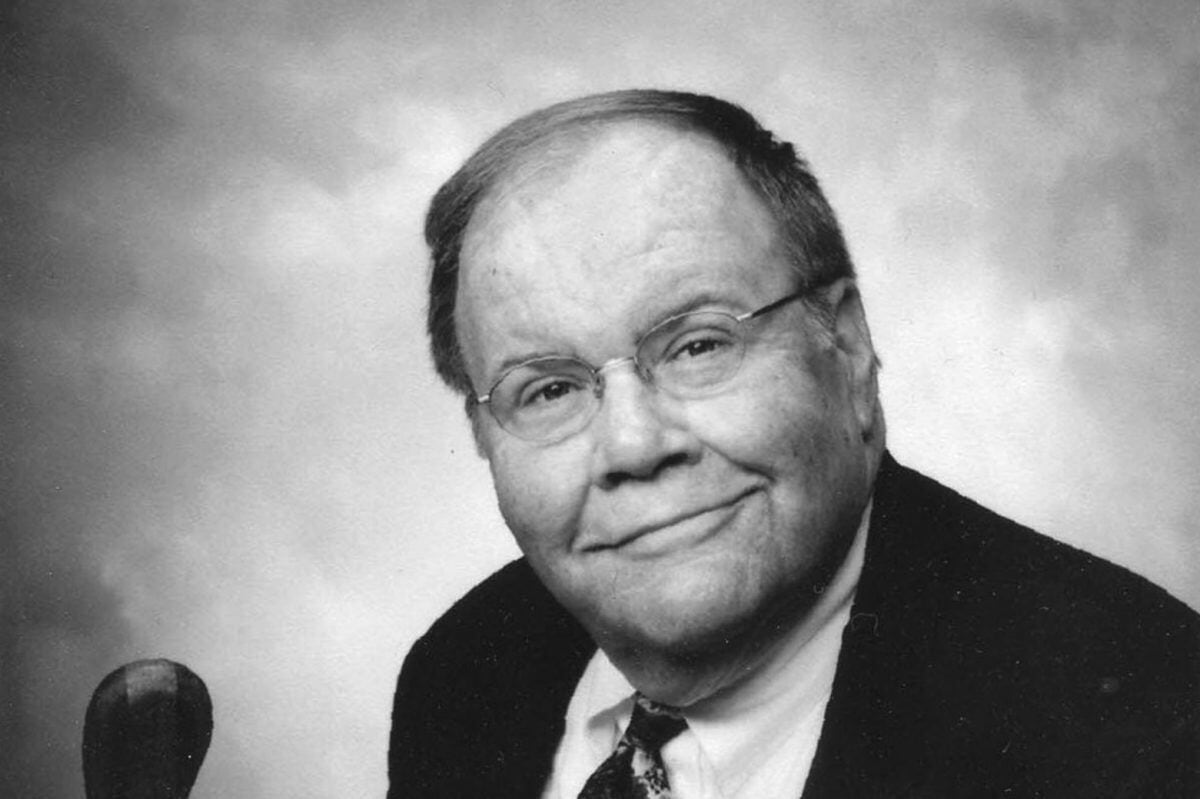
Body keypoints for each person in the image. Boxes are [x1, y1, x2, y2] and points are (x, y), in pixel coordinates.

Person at [388, 90, 1199, 798]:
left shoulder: (1143, 729)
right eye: (549, 389)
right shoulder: (462, 674)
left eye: (698, 344)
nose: (633, 446)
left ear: (846, 347)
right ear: (484, 436)